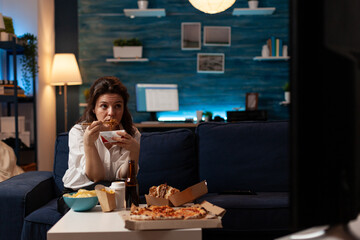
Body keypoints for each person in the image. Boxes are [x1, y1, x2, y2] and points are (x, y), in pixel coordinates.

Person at [58, 76, 141, 213]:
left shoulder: (131, 134)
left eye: (117, 106)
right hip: (80, 193)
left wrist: (134, 151)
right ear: (93, 109)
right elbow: (96, 176)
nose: (111, 113)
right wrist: (89, 143)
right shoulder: (79, 132)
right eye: (104, 106)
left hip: (114, 193)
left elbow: (124, 175)